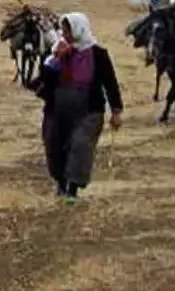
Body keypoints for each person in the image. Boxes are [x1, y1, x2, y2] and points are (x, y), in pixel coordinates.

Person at [32, 13, 122, 203]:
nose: (64, 34)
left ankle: (72, 189)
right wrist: (55, 58)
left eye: (68, 29)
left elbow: (110, 83)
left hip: (88, 110)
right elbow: (44, 80)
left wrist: (116, 111)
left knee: (80, 145)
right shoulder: (57, 51)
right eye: (63, 30)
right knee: (54, 145)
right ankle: (61, 184)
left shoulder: (98, 54)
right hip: (57, 108)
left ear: (79, 29)